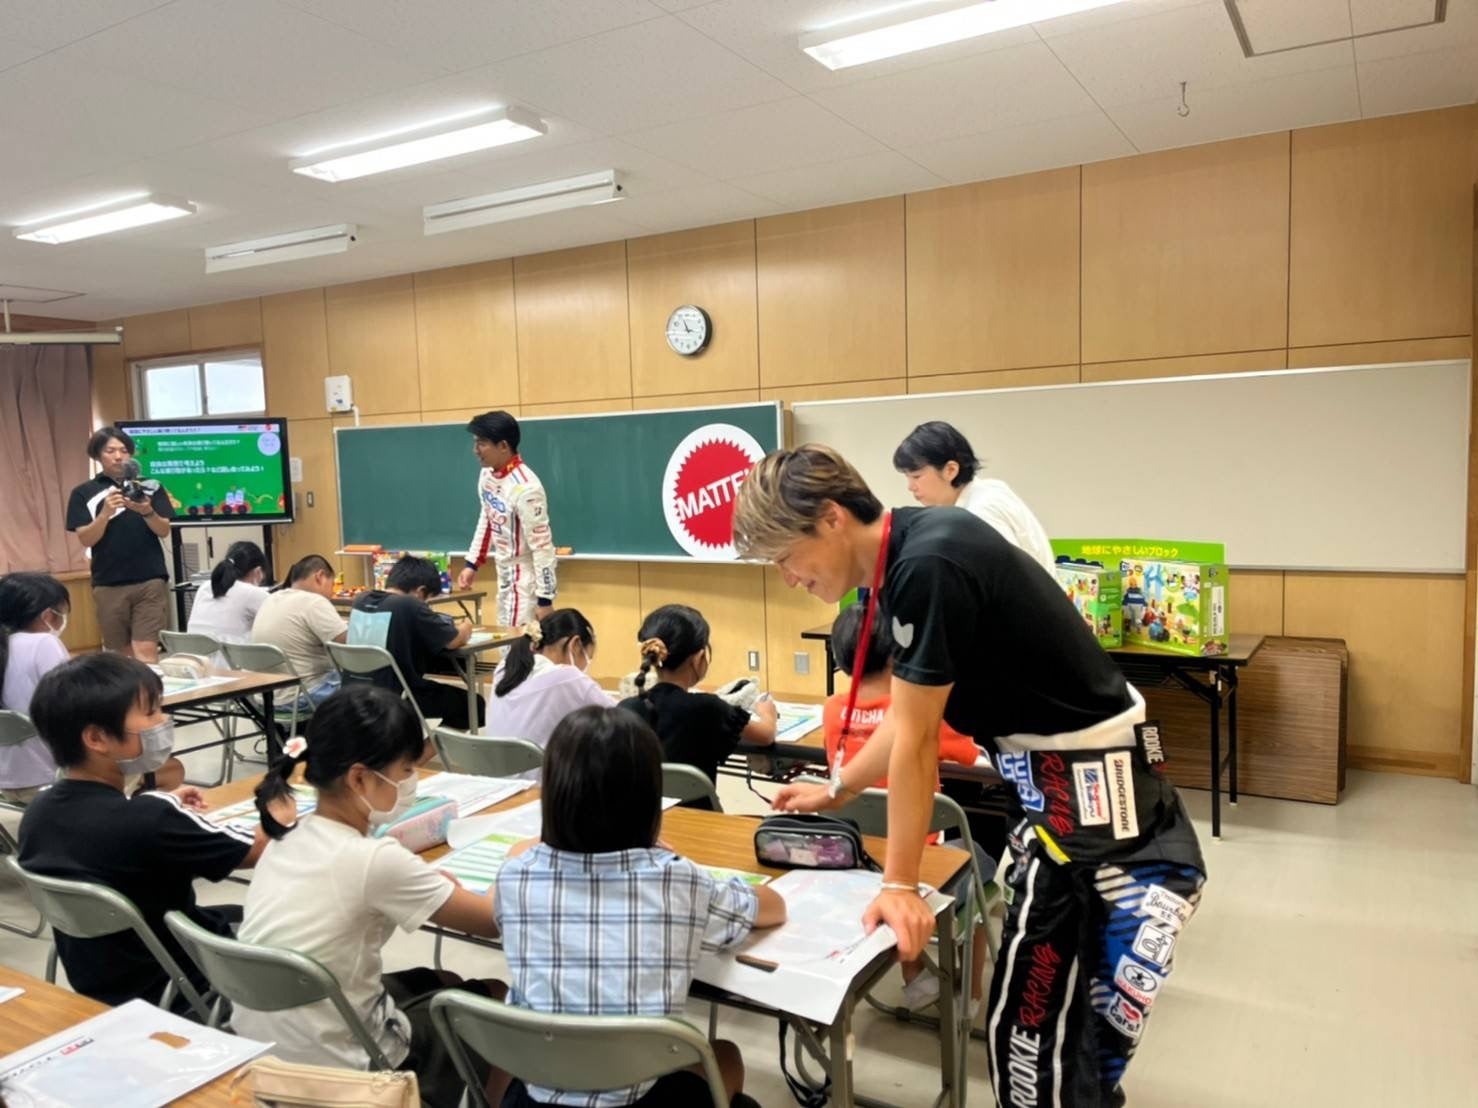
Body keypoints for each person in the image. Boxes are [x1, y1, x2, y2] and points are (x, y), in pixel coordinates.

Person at [733, 444, 1205, 1108]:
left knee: (1050, 1049)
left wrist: (900, 884)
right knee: (1034, 1041)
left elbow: (918, 739)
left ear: (832, 518)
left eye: (786, 556)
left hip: (1103, 820)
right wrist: (839, 788)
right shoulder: (909, 559)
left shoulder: (928, 562)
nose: (788, 578)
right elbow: (909, 715)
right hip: (1063, 802)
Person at [232, 685, 509, 1107]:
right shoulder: (376, 860)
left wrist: (424, 888)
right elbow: (490, 920)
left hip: (267, 1053)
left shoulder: (287, 836)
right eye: (406, 770)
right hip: (347, 1071)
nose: (411, 781)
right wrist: (513, 863)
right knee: (496, 994)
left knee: (445, 981)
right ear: (359, 777)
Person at [497, 705, 784, 1108]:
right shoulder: (677, 879)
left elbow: (521, 852)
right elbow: (773, 907)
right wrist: (674, 860)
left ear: (553, 793)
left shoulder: (516, 876)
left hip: (536, 1095)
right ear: (649, 798)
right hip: (642, 1098)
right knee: (726, 1056)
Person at [16, 654, 279, 1009]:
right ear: (96, 737)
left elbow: (114, 831)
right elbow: (258, 849)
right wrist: (287, 805)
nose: (164, 720)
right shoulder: (151, 820)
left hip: (105, 981)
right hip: (185, 982)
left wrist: (159, 805)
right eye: (151, 712)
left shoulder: (39, 811)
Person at [822, 602, 990, 1015]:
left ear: (840, 657)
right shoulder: (920, 713)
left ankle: (915, 977)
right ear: (900, 654)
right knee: (981, 869)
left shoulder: (831, 710)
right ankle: (969, 997)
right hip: (916, 862)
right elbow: (974, 756)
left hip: (854, 857)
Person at [618, 604, 776, 790]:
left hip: (648, 808)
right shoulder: (708, 708)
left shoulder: (626, 709)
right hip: (699, 808)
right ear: (699, 658)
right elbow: (766, 736)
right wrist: (768, 713)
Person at [64, 425, 175, 662]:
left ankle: (150, 687)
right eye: (110, 451)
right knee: (121, 656)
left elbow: (164, 530)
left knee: (146, 651)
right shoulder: (84, 493)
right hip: (108, 581)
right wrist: (105, 513)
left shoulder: (151, 487)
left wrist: (147, 511)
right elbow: (86, 538)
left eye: (124, 451)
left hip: (150, 579)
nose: (118, 456)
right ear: (97, 455)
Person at [892, 420, 1055, 574]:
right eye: (907, 477)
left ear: (950, 470)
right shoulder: (990, 490)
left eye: (916, 476)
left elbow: (1005, 581)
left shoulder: (981, 512)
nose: (910, 487)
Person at [348, 555, 482, 730]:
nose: (426, 606)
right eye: (427, 601)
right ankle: (421, 750)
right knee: (474, 704)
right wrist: (466, 626)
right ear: (420, 591)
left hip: (353, 692)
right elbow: (453, 641)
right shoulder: (409, 604)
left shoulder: (361, 600)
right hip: (395, 695)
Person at [455, 411, 558, 628]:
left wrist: (545, 599)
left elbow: (543, 547)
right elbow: (488, 517)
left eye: (482, 444)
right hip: (502, 572)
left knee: (517, 641)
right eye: (475, 442)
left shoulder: (526, 487)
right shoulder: (486, 475)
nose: (475, 450)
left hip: (525, 577)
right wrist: (472, 563)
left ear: (503, 446)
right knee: (505, 637)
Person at [484, 608, 608, 761]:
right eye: (588, 657)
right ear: (575, 645)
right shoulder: (569, 678)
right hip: (541, 774)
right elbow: (620, 716)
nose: (587, 665)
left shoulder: (505, 667)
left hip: (494, 771)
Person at [0, 573, 71, 803]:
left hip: (5, 784)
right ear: (48, 615)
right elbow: (72, 704)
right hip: (50, 779)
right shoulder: (43, 643)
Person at [251, 554, 347, 711]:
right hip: (302, 696)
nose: (331, 593)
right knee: (367, 686)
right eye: (332, 585)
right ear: (320, 576)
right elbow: (348, 645)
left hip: (265, 698)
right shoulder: (314, 602)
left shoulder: (271, 598)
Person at [187, 540, 271, 647]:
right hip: (230, 657)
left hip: (194, 655)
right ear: (258, 572)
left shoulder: (205, 586)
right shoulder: (253, 593)